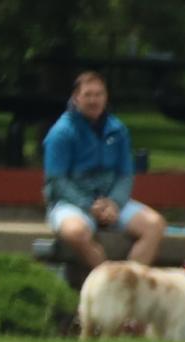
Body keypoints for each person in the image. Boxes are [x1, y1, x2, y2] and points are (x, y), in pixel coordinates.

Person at [41, 72, 166, 272]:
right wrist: (89, 206)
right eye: (88, 95)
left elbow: (125, 174)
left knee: (155, 225)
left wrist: (114, 203)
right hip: (71, 203)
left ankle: (128, 282)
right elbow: (57, 181)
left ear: (106, 97)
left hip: (111, 202)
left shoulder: (118, 130)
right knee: (75, 232)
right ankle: (107, 280)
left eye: (98, 94)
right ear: (76, 98)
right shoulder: (61, 133)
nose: (94, 100)